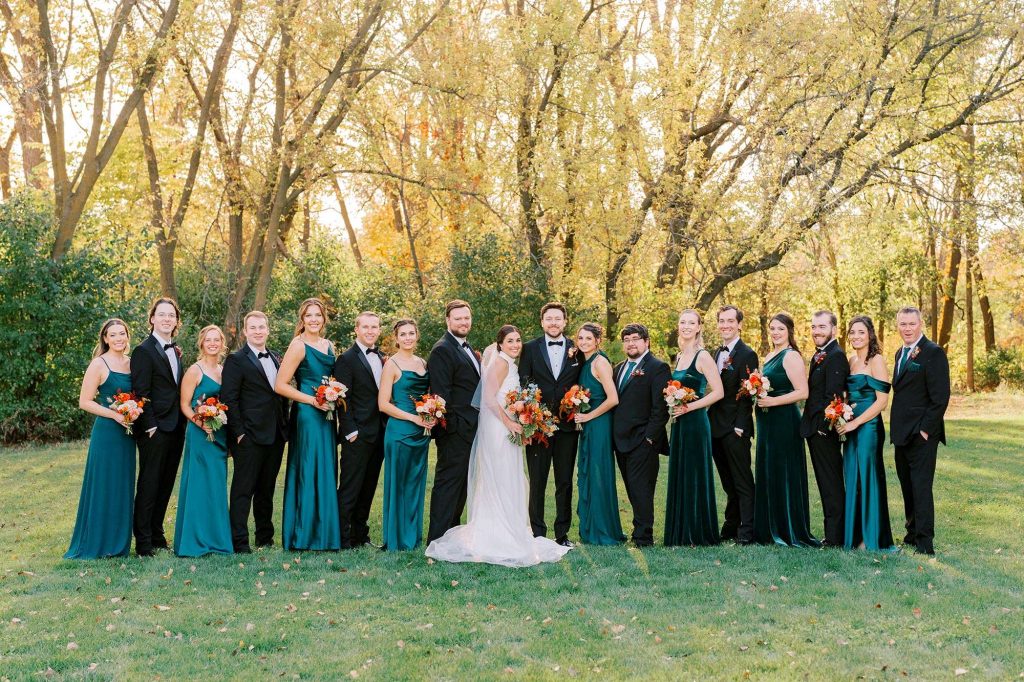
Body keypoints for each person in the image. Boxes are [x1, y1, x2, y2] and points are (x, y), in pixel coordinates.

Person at [426, 326, 571, 566]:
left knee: (508, 477)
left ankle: (508, 530)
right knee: (500, 477)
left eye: (518, 340)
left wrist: (523, 422)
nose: (515, 345)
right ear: (500, 344)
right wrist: (509, 423)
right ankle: (496, 535)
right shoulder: (501, 364)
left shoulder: (510, 364)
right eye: (510, 341)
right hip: (498, 429)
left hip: (508, 427)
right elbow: (488, 399)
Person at [65, 319, 137, 559]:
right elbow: (84, 402)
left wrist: (133, 411)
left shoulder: (132, 363)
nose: (118, 339)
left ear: (127, 336)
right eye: (113, 335)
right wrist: (115, 415)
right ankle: (97, 541)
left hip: (127, 434)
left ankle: (118, 542)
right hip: (107, 432)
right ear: (105, 338)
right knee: (104, 484)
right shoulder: (99, 364)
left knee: (122, 484)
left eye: (122, 334)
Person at [274, 298, 341, 551]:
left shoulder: (328, 345)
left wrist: (332, 395)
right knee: (308, 466)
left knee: (325, 466)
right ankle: (304, 534)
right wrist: (313, 400)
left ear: (324, 319)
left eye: (318, 315)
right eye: (309, 315)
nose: (314, 319)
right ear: (302, 319)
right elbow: (280, 385)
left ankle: (324, 533)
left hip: (327, 414)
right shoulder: (298, 345)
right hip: (307, 414)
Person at [221, 310, 289, 553]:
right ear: (245, 331)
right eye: (253, 328)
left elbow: (280, 394)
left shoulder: (277, 357)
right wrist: (239, 433)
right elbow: (229, 399)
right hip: (248, 436)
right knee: (243, 489)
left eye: (262, 327)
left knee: (266, 489)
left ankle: (265, 537)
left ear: (268, 330)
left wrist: (284, 426)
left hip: (276, 434)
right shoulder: (236, 360)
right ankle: (239, 541)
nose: (258, 331)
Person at [518, 302, 582, 547]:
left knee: (564, 481)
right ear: (542, 322)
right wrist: (533, 415)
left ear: (565, 322)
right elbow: (524, 381)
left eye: (558, 319)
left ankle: (562, 534)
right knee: (538, 480)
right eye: (549, 319)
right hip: (538, 425)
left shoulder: (577, 349)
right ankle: (537, 533)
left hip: (567, 427)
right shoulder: (529, 348)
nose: (553, 323)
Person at [753, 313, 820, 548]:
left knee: (784, 471)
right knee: (769, 470)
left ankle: (788, 528)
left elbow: (803, 392)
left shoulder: (791, 356)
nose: (775, 332)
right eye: (772, 328)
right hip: (767, 422)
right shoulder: (769, 355)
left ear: (789, 331)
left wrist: (772, 401)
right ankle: (769, 526)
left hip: (784, 421)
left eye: (780, 328)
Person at [890, 306, 950, 555]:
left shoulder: (933, 352)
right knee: (907, 486)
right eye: (903, 324)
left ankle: (925, 543)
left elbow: (940, 397)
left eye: (911, 324)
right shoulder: (899, 353)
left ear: (921, 324)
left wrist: (925, 430)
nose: (907, 328)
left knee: (921, 487)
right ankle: (912, 534)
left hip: (922, 435)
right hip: (901, 433)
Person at [130, 297, 186, 556]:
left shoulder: (175, 350)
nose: (167, 319)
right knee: (150, 483)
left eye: (171, 315)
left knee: (165, 483)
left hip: (176, 426)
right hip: (155, 428)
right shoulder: (143, 351)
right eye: (162, 314)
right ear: (152, 318)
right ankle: (143, 542)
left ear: (176, 321)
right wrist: (150, 425)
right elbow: (140, 391)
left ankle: (157, 534)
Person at [664, 310, 724, 547]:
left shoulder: (703, 356)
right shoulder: (680, 356)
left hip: (696, 423)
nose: (686, 326)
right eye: (682, 322)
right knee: (682, 473)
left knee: (695, 474)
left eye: (691, 323)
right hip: (680, 423)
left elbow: (718, 392)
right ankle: (681, 530)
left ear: (699, 327)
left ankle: (697, 532)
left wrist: (689, 407)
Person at [836, 316, 896, 552]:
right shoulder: (851, 360)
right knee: (852, 477)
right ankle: (854, 536)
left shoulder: (876, 360)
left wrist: (856, 423)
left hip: (868, 428)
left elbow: (882, 401)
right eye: (852, 332)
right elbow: (848, 396)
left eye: (861, 332)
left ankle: (871, 538)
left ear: (870, 334)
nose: (856, 336)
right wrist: (841, 414)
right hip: (850, 426)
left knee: (867, 478)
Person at [173, 325, 233, 557]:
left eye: (216, 340)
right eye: (208, 340)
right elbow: (184, 405)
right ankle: (194, 540)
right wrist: (201, 423)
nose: (212, 343)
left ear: (222, 343)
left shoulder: (224, 370)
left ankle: (216, 539)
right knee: (199, 485)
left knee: (216, 486)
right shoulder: (194, 371)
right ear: (202, 343)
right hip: (200, 434)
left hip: (219, 434)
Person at [426, 300, 481, 543]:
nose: (463, 322)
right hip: (455, 431)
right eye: (458, 318)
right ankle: (437, 539)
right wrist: (455, 427)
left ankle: (452, 536)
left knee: (460, 487)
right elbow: (440, 395)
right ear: (448, 320)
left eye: (466, 318)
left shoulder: (466, 348)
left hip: (470, 430)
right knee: (448, 485)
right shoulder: (442, 349)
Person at [611, 323, 671, 547]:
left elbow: (660, 408)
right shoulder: (618, 369)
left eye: (635, 339)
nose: (631, 343)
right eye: (627, 340)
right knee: (631, 488)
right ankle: (638, 531)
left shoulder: (657, 367)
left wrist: (649, 438)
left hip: (643, 441)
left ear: (646, 342)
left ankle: (644, 537)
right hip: (620, 441)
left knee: (642, 489)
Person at [378, 319, 433, 551]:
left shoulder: (423, 362)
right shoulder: (391, 364)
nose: (408, 337)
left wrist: (431, 414)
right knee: (398, 485)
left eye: (411, 333)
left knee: (415, 485)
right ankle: (396, 538)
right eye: (403, 334)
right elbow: (383, 404)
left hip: (421, 433)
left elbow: (427, 396)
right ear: (396, 338)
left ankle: (412, 537)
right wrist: (413, 418)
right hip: (400, 432)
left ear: (417, 335)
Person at [335, 312, 387, 549]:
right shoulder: (346, 359)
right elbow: (342, 398)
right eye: (365, 327)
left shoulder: (384, 358)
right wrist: (350, 431)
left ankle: (360, 535)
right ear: (356, 329)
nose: (370, 331)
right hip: (357, 434)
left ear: (379, 330)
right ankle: (342, 538)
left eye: (374, 327)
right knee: (350, 488)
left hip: (380, 433)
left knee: (368, 488)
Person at [707, 305, 759, 544]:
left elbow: (749, 391)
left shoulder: (747, 354)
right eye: (722, 321)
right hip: (715, 426)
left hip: (735, 428)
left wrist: (740, 425)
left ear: (739, 324)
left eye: (730, 321)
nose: (725, 325)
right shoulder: (716, 352)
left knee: (742, 482)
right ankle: (730, 527)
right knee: (728, 482)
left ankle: (747, 531)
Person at [800, 310, 850, 547]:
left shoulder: (836, 356)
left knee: (831, 483)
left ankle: (835, 537)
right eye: (813, 327)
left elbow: (834, 396)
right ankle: (833, 533)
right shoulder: (820, 354)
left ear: (834, 330)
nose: (816, 331)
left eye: (822, 327)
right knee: (824, 481)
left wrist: (822, 428)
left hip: (824, 430)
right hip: (813, 429)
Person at [572, 323, 624, 545]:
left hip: (599, 423)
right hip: (589, 423)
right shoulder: (584, 361)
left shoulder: (600, 362)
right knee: (590, 474)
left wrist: (588, 416)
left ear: (597, 341)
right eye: (580, 338)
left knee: (598, 473)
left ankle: (603, 530)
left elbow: (613, 399)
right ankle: (590, 528)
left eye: (588, 338)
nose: (584, 342)